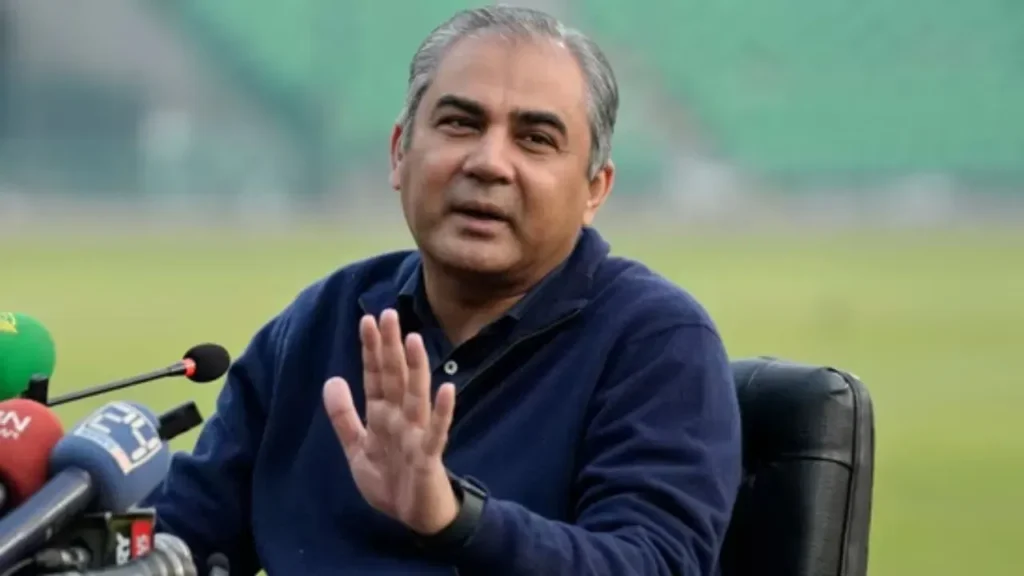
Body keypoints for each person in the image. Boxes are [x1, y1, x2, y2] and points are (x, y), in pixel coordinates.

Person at [144, 6, 743, 575]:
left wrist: (456, 518)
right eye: (461, 123)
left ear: (595, 189)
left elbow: (654, 562)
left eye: (535, 138)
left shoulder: (656, 343)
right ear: (400, 152)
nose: (489, 163)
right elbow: (183, 537)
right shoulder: (321, 322)